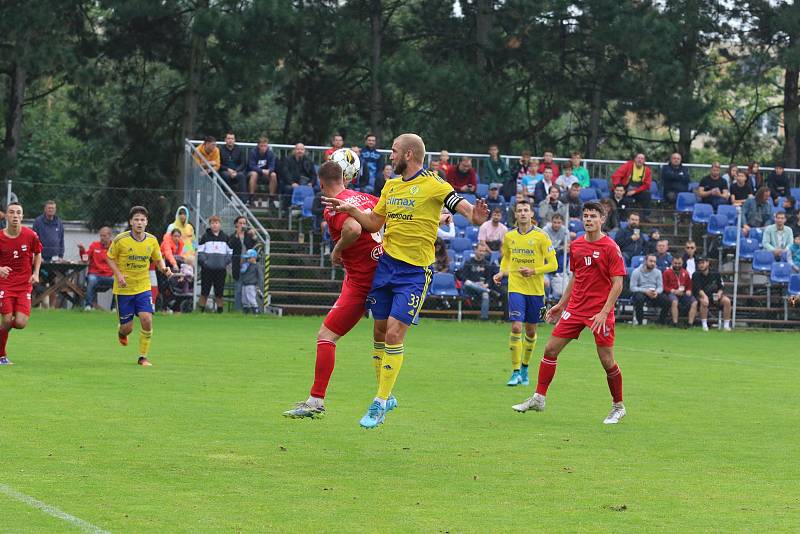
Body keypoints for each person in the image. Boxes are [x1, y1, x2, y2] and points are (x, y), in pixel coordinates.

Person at [322, 133, 488, 428]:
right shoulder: (391, 186)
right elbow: (374, 223)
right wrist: (353, 211)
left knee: (395, 335)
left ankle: (380, 401)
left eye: (395, 151)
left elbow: (461, 206)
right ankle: (385, 395)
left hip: (414, 273)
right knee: (379, 332)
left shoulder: (434, 183)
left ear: (409, 155)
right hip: (386, 267)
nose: (390, 156)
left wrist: (474, 216)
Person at [283, 161, 386, 418]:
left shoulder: (333, 205)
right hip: (381, 272)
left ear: (320, 184)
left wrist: (337, 250)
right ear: (344, 178)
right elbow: (387, 213)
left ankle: (316, 400)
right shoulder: (363, 196)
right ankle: (385, 393)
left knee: (326, 336)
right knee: (384, 338)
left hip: (362, 283)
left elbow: (353, 228)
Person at [511, 201, 627, 424]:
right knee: (550, 349)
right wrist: (562, 304)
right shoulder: (577, 245)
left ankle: (618, 406)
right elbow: (576, 277)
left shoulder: (610, 247)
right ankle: (539, 398)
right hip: (575, 308)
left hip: (599, 312)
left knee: (606, 360)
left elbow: (618, 284)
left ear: (602, 219)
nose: (588, 219)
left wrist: (604, 312)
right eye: (585, 216)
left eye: (593, 216)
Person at [494, 200, 557, 386]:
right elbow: (506, 258)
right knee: (516, 327)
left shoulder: (542, 236)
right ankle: (514, 372)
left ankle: (525, 368)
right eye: (519, 210)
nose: (522, 213)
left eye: (526, 210)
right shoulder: (509, 236)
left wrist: (534, 271)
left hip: (536, 291)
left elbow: (554, 264)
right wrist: (501, 271)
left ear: (531, 214)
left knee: (531, 331)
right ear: (515, 215)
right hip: (516, 287)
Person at [106, 206, 172, 366]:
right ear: (131, 222)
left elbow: (158, 258)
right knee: (127, 328)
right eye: (136, 219)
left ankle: (143, 357)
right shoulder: (120, 240)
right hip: (124, 289)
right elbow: (110, 258)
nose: (139, 223)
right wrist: (119, 275)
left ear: (146, 222)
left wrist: (164, 268)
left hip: (143, 287)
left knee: (147, 319)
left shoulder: (152, 240)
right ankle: (122, 332)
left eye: (142, 220)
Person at [0, 202, 43, 365]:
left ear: (22, 216)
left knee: (20, 323)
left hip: (24, 284)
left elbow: (38, 254)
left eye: (18, 212)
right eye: (11, 212)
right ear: (6, 216)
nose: (15, 215)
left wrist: (36, 273)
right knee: (6, 321)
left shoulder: (30, 235)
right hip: (4, 284)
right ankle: (1, 355)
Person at [197, 215, 232, 312]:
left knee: (219, 292)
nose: (214, 225)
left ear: (220, 225)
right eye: (212, 223)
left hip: (220, 269)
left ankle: (220, 310)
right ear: (210, 225)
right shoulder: (205, 236)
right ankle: (201, 310)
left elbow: (230, 252)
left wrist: (224, 262)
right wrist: (205, 262)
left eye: (216, 223)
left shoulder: (225, 237)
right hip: (207, 269)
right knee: (205, 291)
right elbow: (200, 252)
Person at [457, 242, 498, 320]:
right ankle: (489, 291)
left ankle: (484, 318)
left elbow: (489, 279)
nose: (482, 253)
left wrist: (486, 285)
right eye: (480, 251)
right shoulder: (468, 263)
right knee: (468, 283)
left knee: (485, 295)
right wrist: (474, 283)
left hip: (482, 288)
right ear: (475, 250)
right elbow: (464, 278)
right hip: (470, 287)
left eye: (483, 251)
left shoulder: (487, 264)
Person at [692, 257, 731, 331]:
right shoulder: (695, 275)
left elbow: (721, 286)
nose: (701, 265)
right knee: (704, 302)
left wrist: (719, 293)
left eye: (703, 263)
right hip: (701, 296)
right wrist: (704, 296)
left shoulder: (715, 273)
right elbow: (698, 289)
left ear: (707, 263)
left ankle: (726, 325)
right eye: (699, 263)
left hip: (715, 296)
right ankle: (704, 325)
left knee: (727, 301)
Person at [228, 216, 258, 310]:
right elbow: (230, 246)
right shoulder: (233, 236)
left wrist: (254, 235)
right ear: (236, 224)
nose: (242, 225)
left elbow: (254, 246)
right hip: (238, 265)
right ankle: (238, 310)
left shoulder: (248, 236)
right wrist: (237, 234)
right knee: (238, 289)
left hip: (248, 266)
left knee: (248, 290)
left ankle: (249, 308)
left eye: (244, 223)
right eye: (240, 223)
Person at [81, 226, 114, 311]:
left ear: (110, 236)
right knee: (91, 280)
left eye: (104, 236)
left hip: (109, 275)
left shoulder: (115, 247)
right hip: (95, 274)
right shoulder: (94, 245)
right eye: (101, 236)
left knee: (119, 282)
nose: (102, 238)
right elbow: (85, 258)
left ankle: (114, 308)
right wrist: (82, 250)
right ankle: (88, 306)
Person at [630, 254, 666, 325]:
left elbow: (660, 287)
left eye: (654, 262)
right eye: (651, 261)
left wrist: (656, 292)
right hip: (641, 292)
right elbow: (632, 288)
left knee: (667, 301)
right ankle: (640, 322)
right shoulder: (636, 272)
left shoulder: (658, 272)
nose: (653, 263)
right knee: (639, 298)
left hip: (654, 293)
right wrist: (645, 291)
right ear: (645, 261)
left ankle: (661, 322)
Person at [663, 256, 697, 328]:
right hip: (671, 293)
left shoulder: (685, 272)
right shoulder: (667, 272)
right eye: (675, 263)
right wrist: (673, 291)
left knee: (694, 302)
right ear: (672, 263)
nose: (677, 265)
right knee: (674, 301)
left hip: (682, 293)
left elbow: (689, 285)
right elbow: (664, 286)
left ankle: (690, 324)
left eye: (679, 263)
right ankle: (675, 323)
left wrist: (688, 290)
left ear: (682, 263)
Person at [246, 136, 279, 207]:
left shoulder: (270, 153)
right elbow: (251, 166)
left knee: (273, 175)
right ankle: (251, 197)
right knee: (254, 174)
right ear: (258, 146)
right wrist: (262, 171)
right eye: (261, 146)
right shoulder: (253, 152)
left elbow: (273, 166)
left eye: (265, 146)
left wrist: (269, 171)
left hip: (266, 173)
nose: (263, 147)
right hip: (253, 173)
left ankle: (271, 199)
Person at [219, 132, 247, 198]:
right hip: (225, 171)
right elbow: (218, 164)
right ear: (225, 140)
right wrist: (228, 169)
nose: (230, 140)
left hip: (237, 171)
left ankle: (243, 201)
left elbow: (243, 163)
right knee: (225, 175)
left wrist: (235, 171)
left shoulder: (239, 149)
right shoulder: (220, 150)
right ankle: (227, 198)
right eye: (228, 138)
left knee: (242, 176)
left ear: (234, 140)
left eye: (232, 139)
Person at [239, 249, 260, 314]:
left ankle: (256, 311)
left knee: (251, 298)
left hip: (251, 285)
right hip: (244, 284)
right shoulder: (246, 265)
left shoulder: (256, 266)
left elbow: (259, 276)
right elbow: (242, 272)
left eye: (249, 258)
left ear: (254, 258)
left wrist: (258, 285)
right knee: (244, 300)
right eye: (247, 258)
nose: (247, 259)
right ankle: (246, 312)